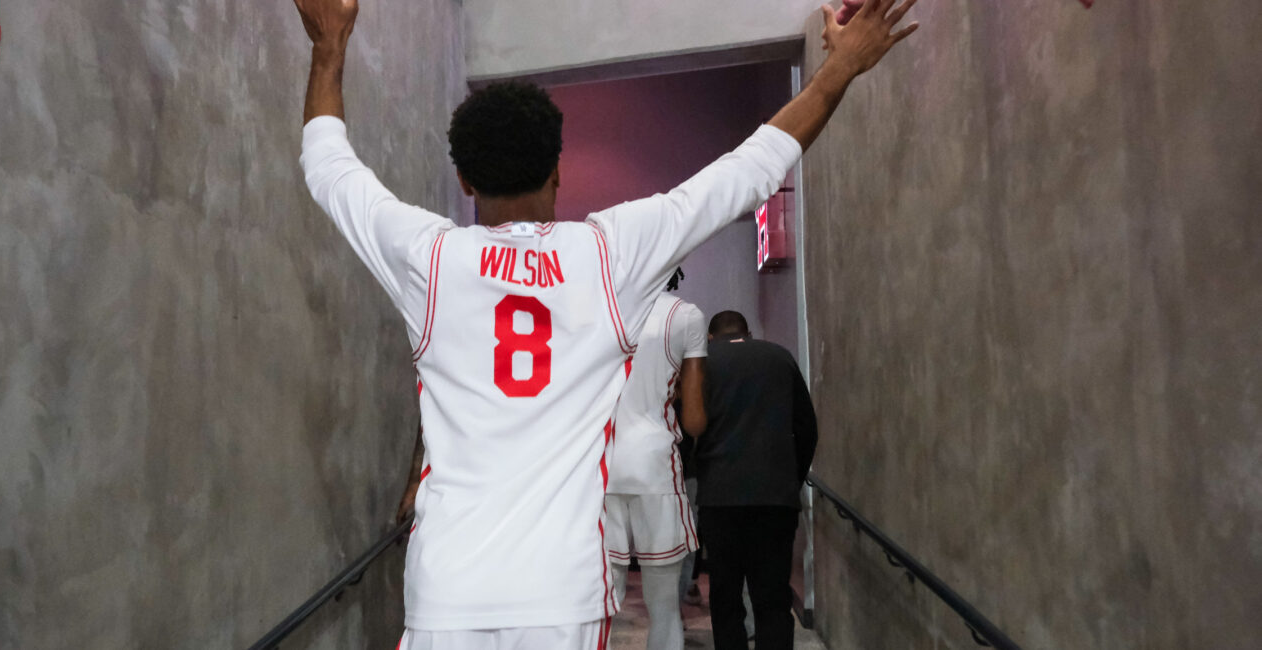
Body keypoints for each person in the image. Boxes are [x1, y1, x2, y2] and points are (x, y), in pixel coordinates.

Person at [291, 0, 919, 647]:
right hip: (562, 592)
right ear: (558, 172)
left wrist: (330, 47)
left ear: (463, 179)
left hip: (447, 588)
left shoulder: (427, 256)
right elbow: (748, 172)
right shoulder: (609, 253)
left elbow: (329, 167)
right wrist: (836, 71)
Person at [694, 311, 819, 650]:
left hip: (719, 498)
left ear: (709, 337)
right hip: (774, 499)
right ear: (747, 333)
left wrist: (699, 474)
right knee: (773, 598)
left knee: (725, 595)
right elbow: (807, 427)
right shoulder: (780, 357)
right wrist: (789, 480)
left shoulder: (702, 362)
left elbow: (690, 427)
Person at [602, 269, 707, 650]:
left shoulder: (594, 309)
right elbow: (694, 421)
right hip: (656, 470)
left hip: (600, 470)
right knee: (663, 609)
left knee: (600, 607)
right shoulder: (685, 316)